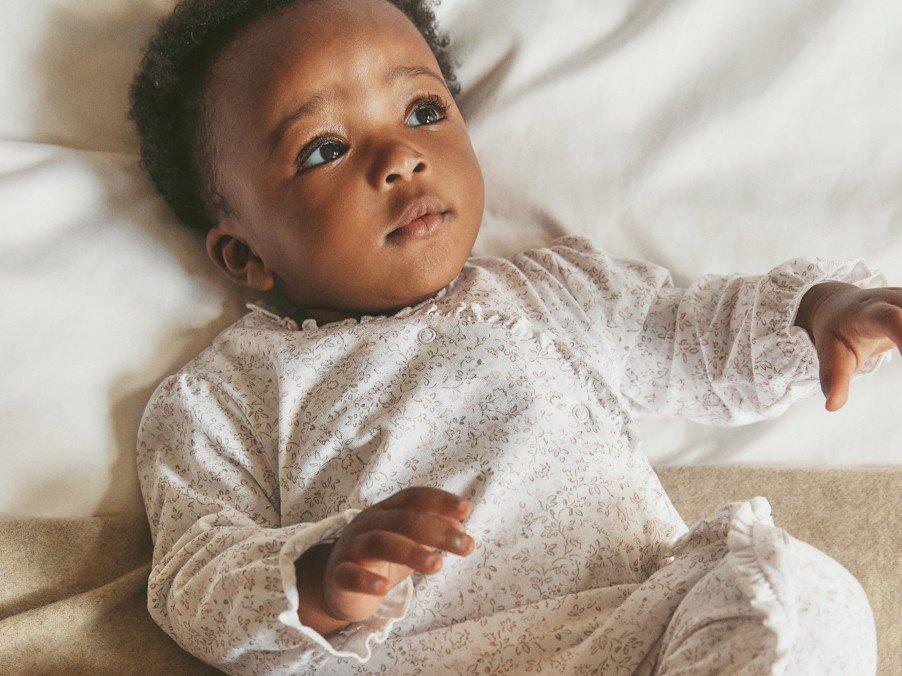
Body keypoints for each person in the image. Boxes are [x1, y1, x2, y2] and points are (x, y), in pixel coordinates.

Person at [129, 0, 899, 672]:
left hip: (634, 637)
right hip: (416, 662)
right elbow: (195, 574)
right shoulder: (226, 395)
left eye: (422, 111)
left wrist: (820, 311)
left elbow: (693, 335)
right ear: (244, 254)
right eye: (326, 149)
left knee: (798, 595)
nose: (401, 158)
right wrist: (322, 578)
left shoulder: (555, 290)